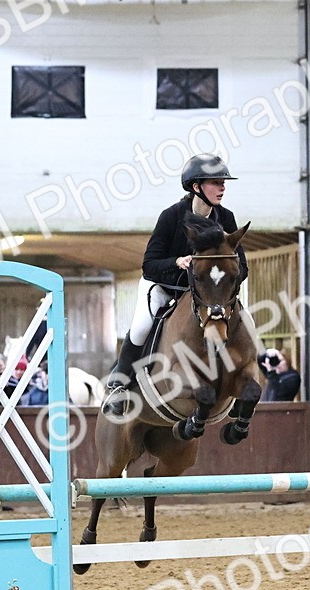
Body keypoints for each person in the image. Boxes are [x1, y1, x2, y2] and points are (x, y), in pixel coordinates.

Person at [102, 154, 248, 417]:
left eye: (223, 182)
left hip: (205, 295)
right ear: (196, 187)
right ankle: (119, 382)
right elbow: (149, 264)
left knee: (242, 319)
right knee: (142, 326)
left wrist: (227, 281)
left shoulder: (226, 218)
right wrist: (177, 261)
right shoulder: (171, 217)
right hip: (163, 287)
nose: (223, 187)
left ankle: (240, 384)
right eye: (215, 182)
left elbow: (243, 266)